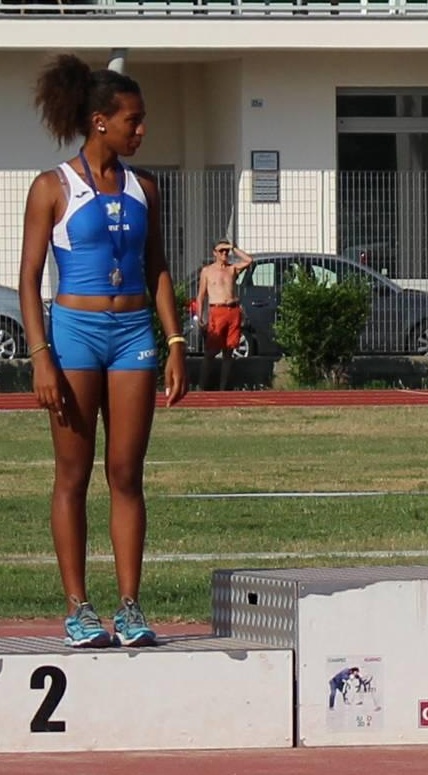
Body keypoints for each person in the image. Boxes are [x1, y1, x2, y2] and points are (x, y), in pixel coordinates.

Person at [18, 54, 188, 648]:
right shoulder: (51, 187)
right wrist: (40, 354)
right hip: (74, 336)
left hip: (134, 334)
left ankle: (131, 605)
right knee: (72, 473)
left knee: (126, 473)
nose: (141, 131)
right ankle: (78, 606)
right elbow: (28, 277)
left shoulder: (146, 188)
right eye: (133, 121)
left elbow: (157, 266)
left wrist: (173, 341)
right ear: (99, 121)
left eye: (143, 121)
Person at [196, 239, 253, 390]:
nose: (224, 254)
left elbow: (249, 260)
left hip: (233, 310)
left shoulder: (232, 269)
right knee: (211, 351)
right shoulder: (207, 271)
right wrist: (200, 316)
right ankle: (202, 387)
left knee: (229, 351)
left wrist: (233, 247)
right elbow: (201, 296)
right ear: (214, 253)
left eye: (226, 251)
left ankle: (223, 388)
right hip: (217, 311)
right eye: (221, 251)